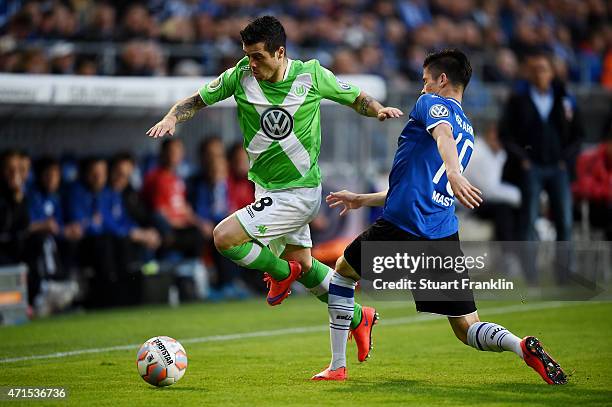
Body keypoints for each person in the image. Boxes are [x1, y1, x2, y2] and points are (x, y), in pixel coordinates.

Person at [147, 15, 403, 362]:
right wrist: (171, 117)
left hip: (300, 192)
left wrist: (378, 110)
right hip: (266, 189)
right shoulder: (240, 76)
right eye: (247, 55)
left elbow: (356, 97)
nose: (251, 64)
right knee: (308, 269)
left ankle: (282, 274)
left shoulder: (311, 74)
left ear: (280, 52)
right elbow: (197, 100)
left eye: (258, 56)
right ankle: (360, 316)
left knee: (224, 238)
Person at [312, 49, 567, 386]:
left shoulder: (433, 105)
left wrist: (454, 171)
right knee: (467, 327)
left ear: (441, 80)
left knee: (343, 273)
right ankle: (521, 347)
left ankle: (337, 366)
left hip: (405, 223)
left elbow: (442, 134)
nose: (422, 88)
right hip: (440, 232)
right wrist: (363, 199)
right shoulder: (470, 130)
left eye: (425, 80)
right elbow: (420, 181)